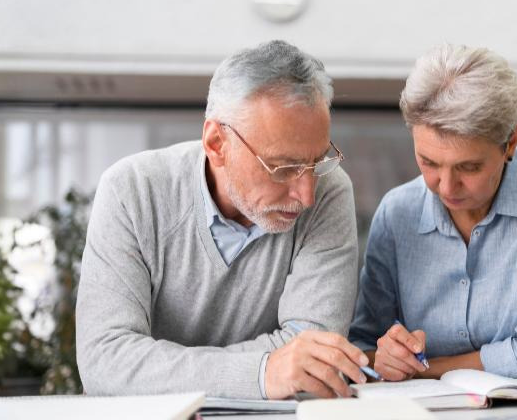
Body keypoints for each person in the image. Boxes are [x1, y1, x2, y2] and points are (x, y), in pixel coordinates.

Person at [77, 40, 369, 400]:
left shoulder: (329, 191)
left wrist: (155, 369)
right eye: (283, 167)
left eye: (316, 161)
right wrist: (264, 372)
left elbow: (314, 360)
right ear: (217, 144)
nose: (306, 194)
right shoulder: (131, 191)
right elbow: (106, 362)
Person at [348, 44, 517, 386]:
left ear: (511, 143)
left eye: (469, 167)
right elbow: (363, 347)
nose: (447, 186)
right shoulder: (397, 212)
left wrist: (427, 367)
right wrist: (387, 355)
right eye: (429, 163)